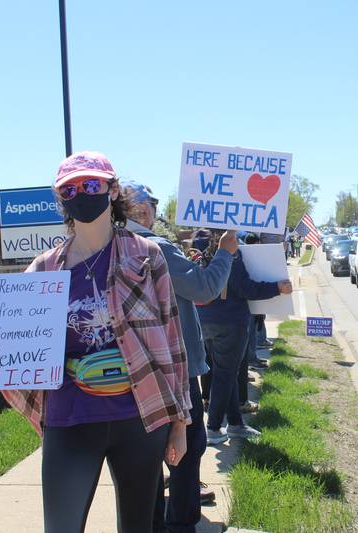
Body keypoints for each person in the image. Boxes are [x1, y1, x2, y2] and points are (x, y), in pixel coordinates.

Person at [0, 151, 193, 533]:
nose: (82, 193)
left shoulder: (146, 255)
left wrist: (180, 422)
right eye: (70, 188)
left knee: (138, 527)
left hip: (140, 416)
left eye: (92, 185)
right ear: (61, 198)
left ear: (111, 191)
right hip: (69, 418)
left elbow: (173, 341)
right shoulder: (44, 269)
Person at [121, 181, 237, 533]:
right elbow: (203, 288)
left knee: (145, 455)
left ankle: (152, 520)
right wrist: (226, 252)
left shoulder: (111, 248)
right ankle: (182, 521)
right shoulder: (156, 247)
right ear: (140, 211)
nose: (150, 211)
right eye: (147, 205)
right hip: (175, 369)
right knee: (188, 448)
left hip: (133, 371)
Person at [197, 235, 293, 445]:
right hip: (229, 322)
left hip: (205, 320)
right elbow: (246, 288)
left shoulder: (202, 249)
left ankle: (235, 424)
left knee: (226, 373)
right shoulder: (231, 253)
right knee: (225, 376)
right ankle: (213, 428)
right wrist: (277, 288)